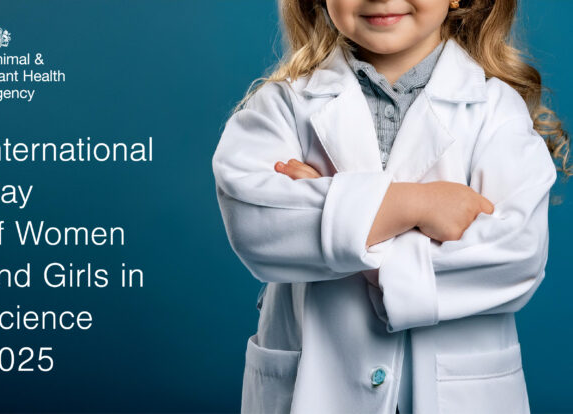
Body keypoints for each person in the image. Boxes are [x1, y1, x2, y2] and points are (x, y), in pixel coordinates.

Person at [211, 0, 570, 412]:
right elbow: (256, 225)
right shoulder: (282, 106)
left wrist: (334, 208)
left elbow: (516, 253)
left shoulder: (496, 112)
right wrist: (415, 206)